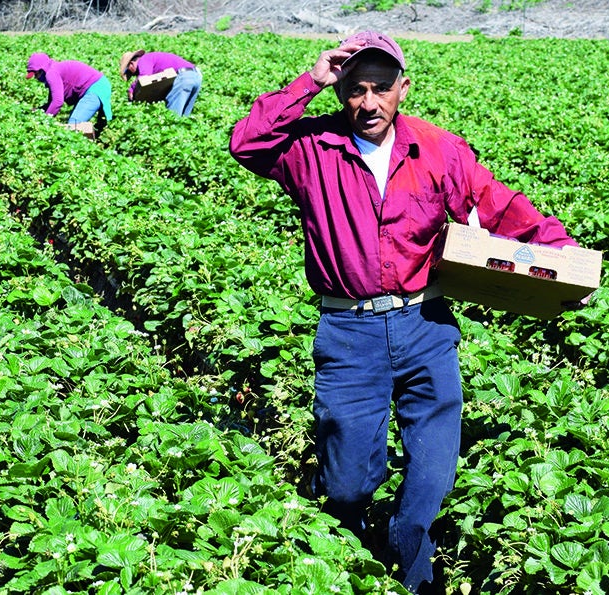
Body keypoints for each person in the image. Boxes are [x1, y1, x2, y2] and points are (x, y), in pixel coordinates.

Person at [229, 31, 581, 593]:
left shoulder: (439, 149)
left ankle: (413, 567)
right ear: (340, 90)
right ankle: (348, 546)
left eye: (380, 88)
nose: (368, 103)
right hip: (349, 329)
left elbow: (501, 206)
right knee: (347, 481)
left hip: (426, 324)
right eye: (354, 89)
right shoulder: (311, 148)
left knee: (433, 474)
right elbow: (246, 144)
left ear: (402, 89)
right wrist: (309, 80)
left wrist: (564, 260)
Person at [26, 52, 113, 133]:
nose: (36, 78)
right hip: (97, 85)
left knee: (74, 124)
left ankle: (86, 146)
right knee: (79, 125)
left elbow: (57, 102)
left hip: (95, 87)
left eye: (36, 74)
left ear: (42, 70)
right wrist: (38, 111)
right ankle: (92, 140)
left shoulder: (51, 73)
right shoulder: (54, 70)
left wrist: (45, 121)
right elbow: (51, 103)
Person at [119, 50, 202, 117]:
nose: (134, 75)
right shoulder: (152, 58)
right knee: (184, 117)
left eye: (130, 72)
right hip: (196, 76)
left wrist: (132, 89)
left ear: (131, 64)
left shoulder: (143, 60)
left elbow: (143, 78)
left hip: (184, 77)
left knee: (173, 117)